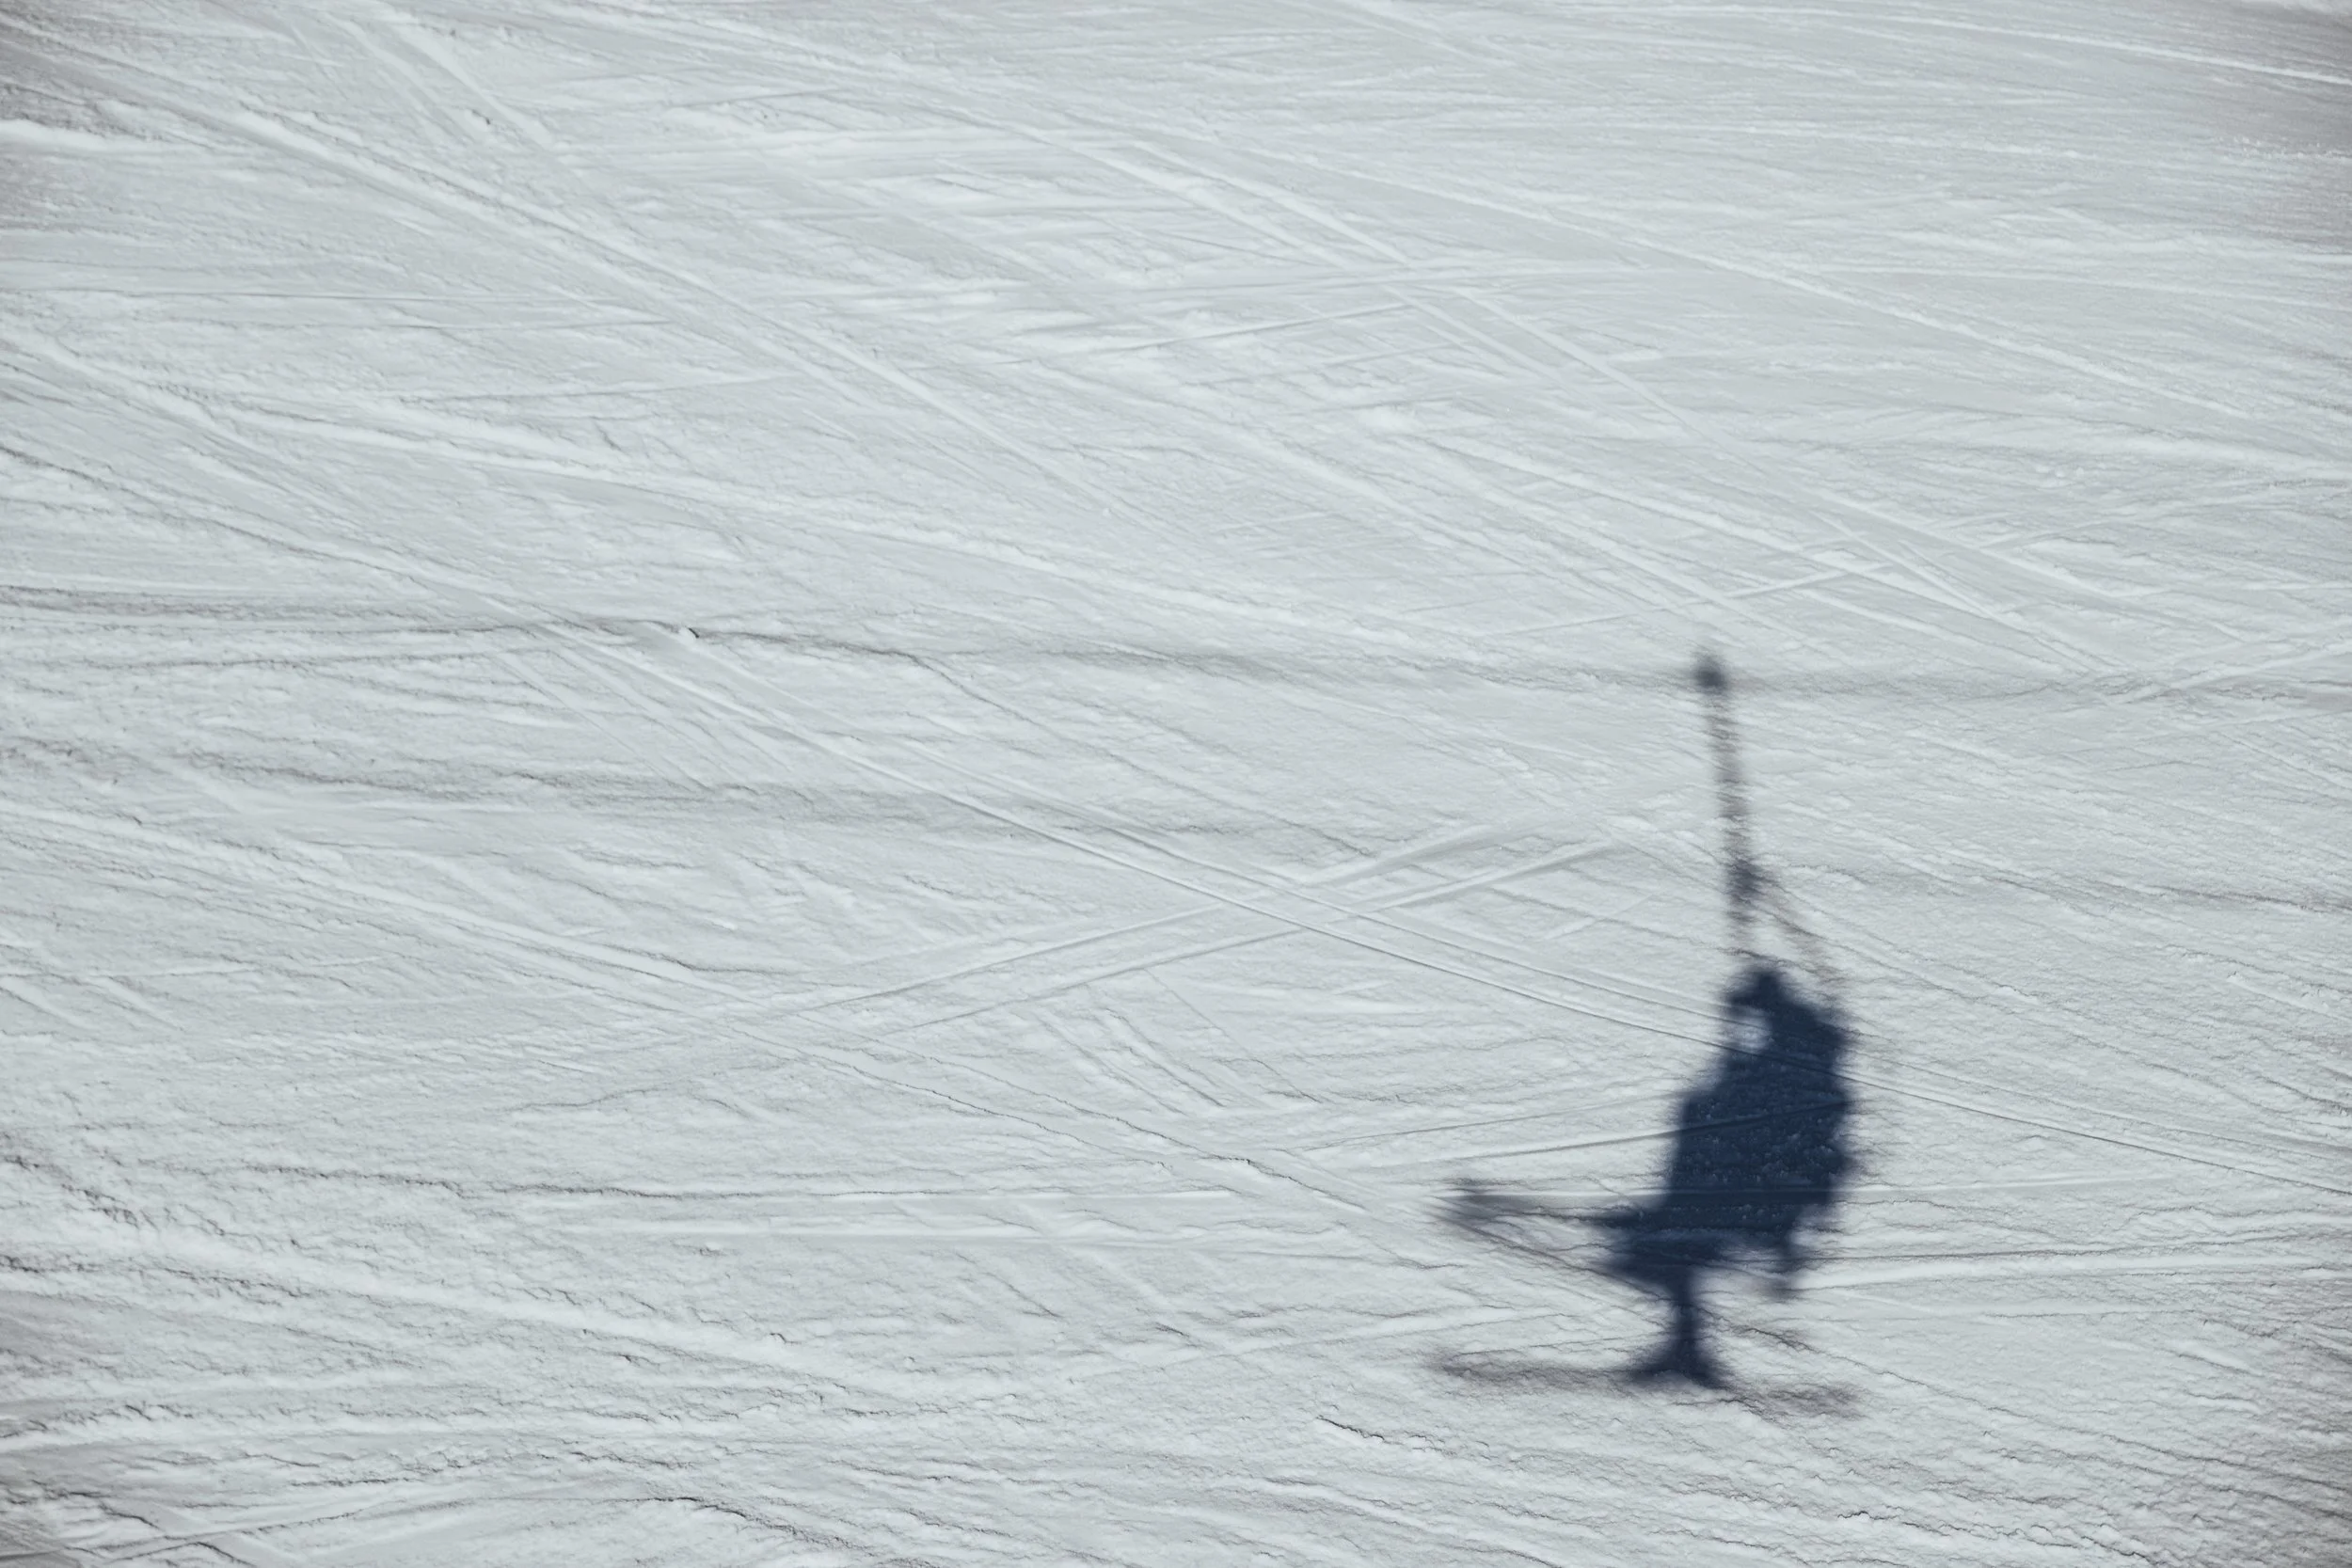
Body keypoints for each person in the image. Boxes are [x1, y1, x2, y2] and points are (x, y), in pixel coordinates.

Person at [1602, 964, 1851, 1385]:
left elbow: (1788, 1152)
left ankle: (1687, 1350)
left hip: (1760, 1206)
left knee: (1670, 1257)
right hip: (1736, 1196)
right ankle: (1685, 1345)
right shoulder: (1777, 1068)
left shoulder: (1798, 1082)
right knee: (1667, 1247)